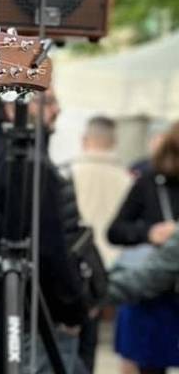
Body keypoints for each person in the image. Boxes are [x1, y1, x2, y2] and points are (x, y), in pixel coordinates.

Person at [0, 90, 87, 374]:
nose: (57, 110)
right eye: (49, 101)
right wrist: (72, 309)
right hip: (34, 318)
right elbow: (51, 248)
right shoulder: (32, 165)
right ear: (14, 109)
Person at [107, 120, 179, 374]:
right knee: (146, 364)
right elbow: (115, 231)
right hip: (149, 293)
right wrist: (150, 233)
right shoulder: (149, 181)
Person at [62, 116, 132, 374]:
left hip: (80, 270)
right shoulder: (127, 178)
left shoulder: (67, 173)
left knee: (75, 345)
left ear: (84, 139)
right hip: (116, 266)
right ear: (113, 141)